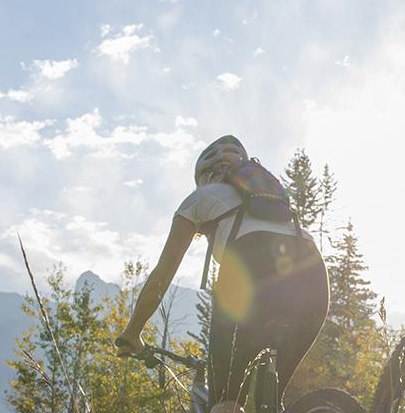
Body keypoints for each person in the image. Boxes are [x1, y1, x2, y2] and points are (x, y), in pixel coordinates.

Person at [115, 135, 329, 413]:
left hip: (254, 267)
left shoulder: (201, 198)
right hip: (312, 274)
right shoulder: (272, 201)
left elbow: (162, 276)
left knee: (227, 401)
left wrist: (132, 332)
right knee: (271, 401)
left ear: (203, 176)